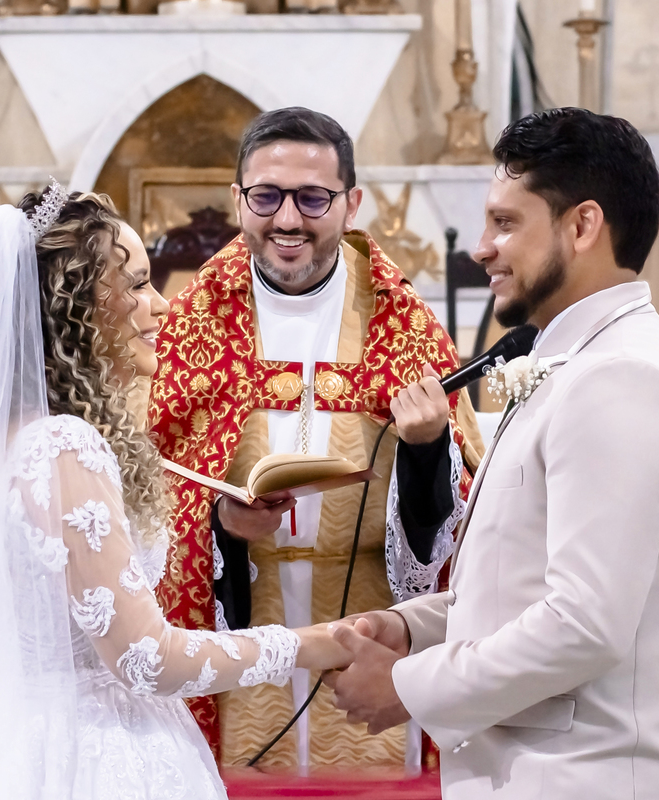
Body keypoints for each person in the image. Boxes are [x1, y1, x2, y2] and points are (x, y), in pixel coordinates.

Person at [0, 185, 351, 800]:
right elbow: (147, 657)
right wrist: (313, 643)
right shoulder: (61, 446)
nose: (162, 306)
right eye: (137, 284)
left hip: (9, 735)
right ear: (75, 308)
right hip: (88, 751)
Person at [324, 108, 659, 799]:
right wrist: (410, 629)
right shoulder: (577, 364)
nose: (482, 248)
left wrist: (408, 686)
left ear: (583, 225)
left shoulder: (620, 379)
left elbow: (583, 624)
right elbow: (523, 585)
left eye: (506, 223)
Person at [148, 107, 484, 769]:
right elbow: (146, 493)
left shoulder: (402, 323)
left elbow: (466, 511)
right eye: (266, 197)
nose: (288, 220)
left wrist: (424, 449)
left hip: (372, 638)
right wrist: (221, 526)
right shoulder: (191, 325)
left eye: (312, 198)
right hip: (240, 646)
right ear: (238, 199)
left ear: (351, 204)